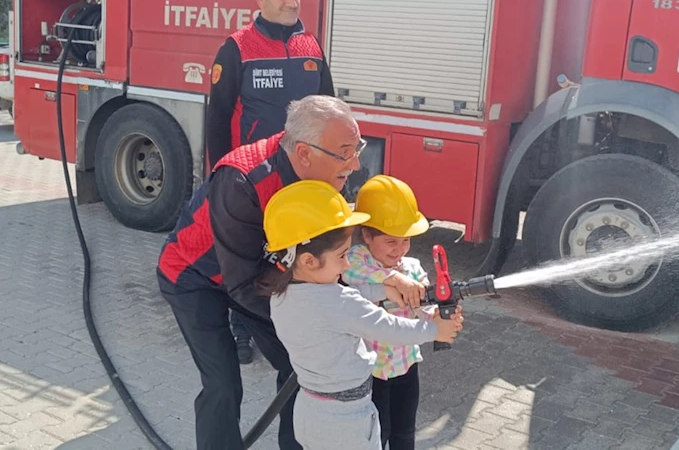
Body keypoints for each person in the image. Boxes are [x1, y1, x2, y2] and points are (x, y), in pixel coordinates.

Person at [157, 96, 391, 450]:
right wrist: (310, 319)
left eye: (356, 148)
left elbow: (327, 257)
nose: (356, 164)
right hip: (195, 277)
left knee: (301, 367)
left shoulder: (327, 178)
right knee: (223, 383)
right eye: (346, 152)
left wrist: (386, 282)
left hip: (263, 274)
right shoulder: (242, 181)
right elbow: (240, 283)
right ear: (304, 153)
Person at [259, 179, 465, 450]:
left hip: (309, 410)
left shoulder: (281, 296)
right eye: (342, 256)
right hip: (347, 421)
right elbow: (384, 326)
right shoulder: (340, 301)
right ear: (309, 261)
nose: (346, 265)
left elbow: (336, 306)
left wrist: (382, 290)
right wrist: (433, 331)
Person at [204, 0, 335, 364]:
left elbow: (329, 111)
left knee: (295, 249)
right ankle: (241, 326)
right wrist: (219, 179)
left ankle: (292, 318)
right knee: (248, 253)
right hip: (253, 178)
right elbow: (218, 116)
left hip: (301, 176)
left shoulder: (310, 47)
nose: (292, 0)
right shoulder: (237, 47)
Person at [341, 175, 432, 450]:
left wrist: (436, 307)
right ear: (367, 234)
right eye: (391, 241)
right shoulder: (356, 258)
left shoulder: (413, 267)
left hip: (407, 365)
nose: (400, 249)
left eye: (405, 241)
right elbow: (351, 271)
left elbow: (426, 309)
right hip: (373, 370)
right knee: (378, 433)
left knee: (405, 432)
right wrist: (394, 279)